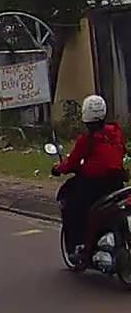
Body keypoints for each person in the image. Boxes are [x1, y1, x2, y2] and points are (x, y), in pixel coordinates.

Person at [53, 94, 127, 264]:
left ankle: (78, 245)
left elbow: (71, 163)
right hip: (117, 183)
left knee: (71, 205)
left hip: (93, 185)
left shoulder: (87, 140)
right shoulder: (115, 133)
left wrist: (58, 168)